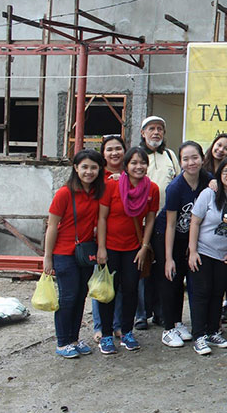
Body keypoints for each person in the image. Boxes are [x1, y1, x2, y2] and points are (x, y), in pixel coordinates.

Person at [96, 147, 160, 354]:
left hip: (133, 248)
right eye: (134, 162)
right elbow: (102, 218)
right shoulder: (111, 185)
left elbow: (150, 220)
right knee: (108, 292)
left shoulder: (152, 189)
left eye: (142, 163)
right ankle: (106, 335)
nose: (138, 167)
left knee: (131, 290)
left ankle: (127, 332)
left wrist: (144, 247)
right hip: (110, 248)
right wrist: (101, 248)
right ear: (126, 165)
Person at [43, 149, 106, 358]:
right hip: (63, 253)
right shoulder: (64, 193)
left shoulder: (97, 193)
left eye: (94, 167)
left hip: (84, 254)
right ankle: (62, 342)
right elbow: (52, 226)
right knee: (68, 297)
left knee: (80, 297)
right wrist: (47, 257)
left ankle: (74, 339)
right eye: (84, 167)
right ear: (76, 168)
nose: (89, 172)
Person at [155, 142, 212, 348]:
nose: (191, 163)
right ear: (180, 162)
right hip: (166, 236)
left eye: (194, 157)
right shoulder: (175, 188)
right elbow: (170, 225)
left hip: (190, 238)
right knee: (171, 278)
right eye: (185, 159)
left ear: (202, 159)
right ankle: (168, 328)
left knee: (186, 279)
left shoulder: (208, 180)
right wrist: (168, 257)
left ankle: (178, 323)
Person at [188, 157, 227, 355]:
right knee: (201, 293)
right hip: (203, 251)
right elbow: (195, 222)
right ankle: (199, 336)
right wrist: (192, 251)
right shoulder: (209, 194)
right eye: (226, 171)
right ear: (219, 175)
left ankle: (213, 331)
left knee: (217, 293)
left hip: (225, 255)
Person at [137, 116, 180, 331]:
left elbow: (179, 182)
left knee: (162, 267)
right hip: (140, 222)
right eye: (151, 129)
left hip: (166, 222)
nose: (156, 132)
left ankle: (160, 312)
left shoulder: (170, 156)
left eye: (160, 129)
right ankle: (140, 314)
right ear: (143, 133)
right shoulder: (137, 156)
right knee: (141, 268)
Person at [93, 135, 127, 342]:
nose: (114, 153)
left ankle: (117, 325)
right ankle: (99, 326)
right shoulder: (97, 174)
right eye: (109, 149)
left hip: (125, 238)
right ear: (103, 154)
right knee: (102, 283)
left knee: (120, 285)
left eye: (118, 148)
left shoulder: (130, 173)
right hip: (100, 237)